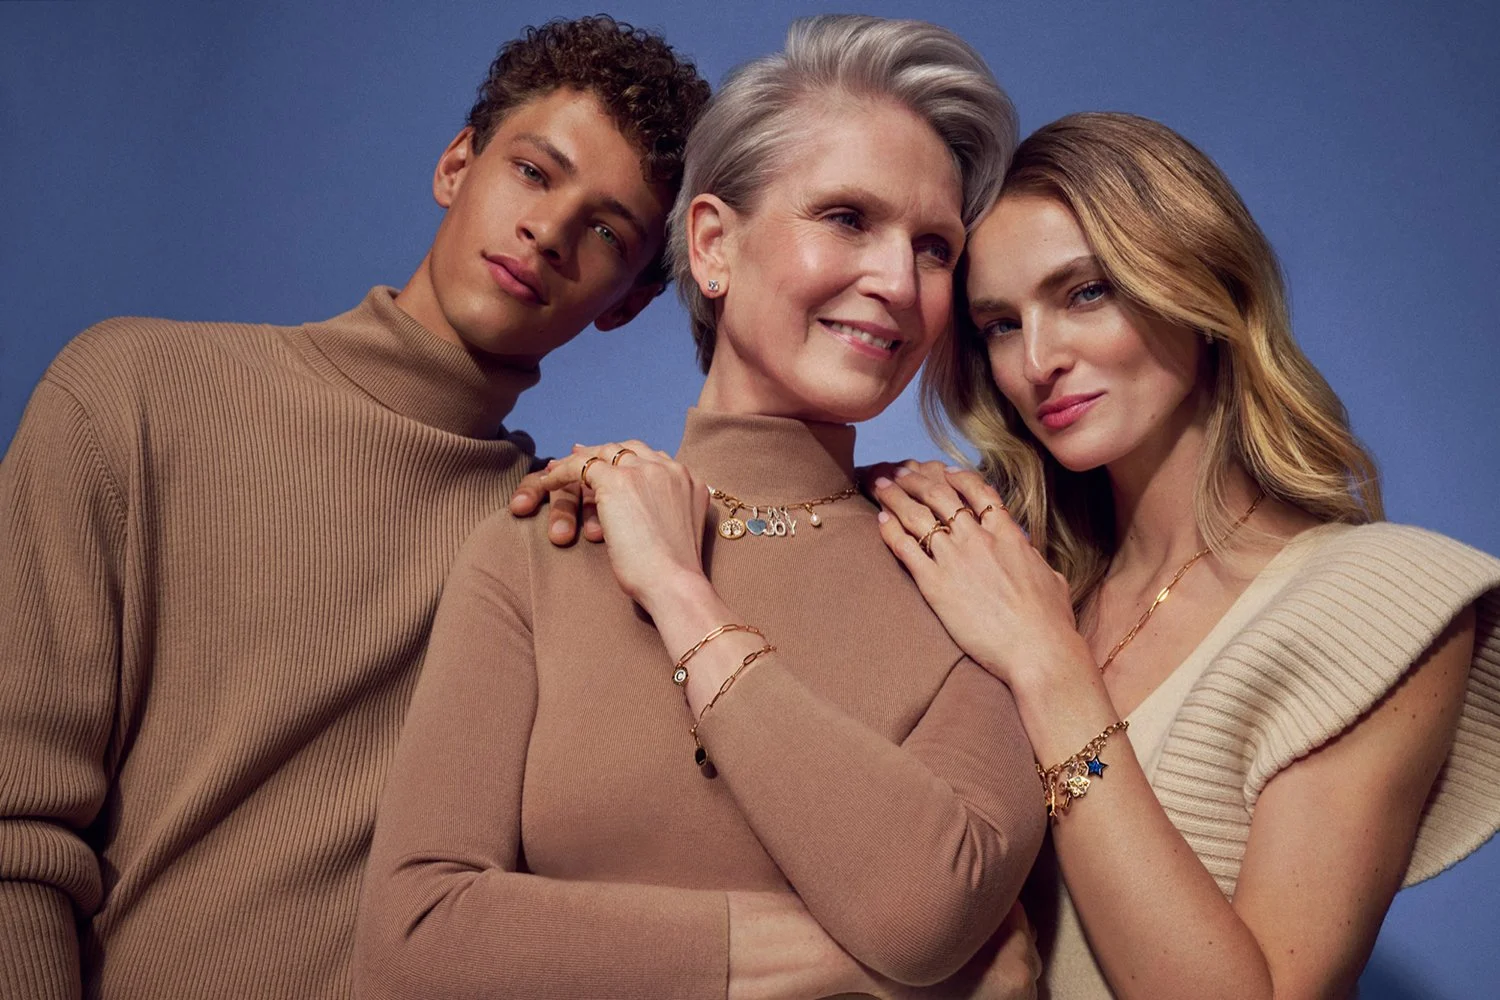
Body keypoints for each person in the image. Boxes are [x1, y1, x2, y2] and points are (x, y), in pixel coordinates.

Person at [0, 16, 709, 999]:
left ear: (626, 303)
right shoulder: (135, 393)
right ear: (457, 164)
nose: (547, 232)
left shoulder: (558, 534)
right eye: (534, 174)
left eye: (605, 231)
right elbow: (14, 829)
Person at [354, 15, 1045, 1000]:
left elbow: (925, 905)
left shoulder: (966, 564)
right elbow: (417, 942)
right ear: (713, 244)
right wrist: (846, 969)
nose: (897, 281)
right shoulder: (546, 542)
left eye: (934, 248)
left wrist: (684, 598)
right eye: (848, 217)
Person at [873, 111, 1500, 999]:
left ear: (1198, 288)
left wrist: (1051, 668)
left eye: (1085, 292)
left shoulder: (1381, 603)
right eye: (1001, 325)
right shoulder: (1004, 573)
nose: (1039, 360)